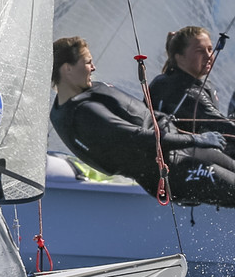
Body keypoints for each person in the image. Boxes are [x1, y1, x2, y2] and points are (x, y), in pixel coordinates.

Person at [51, 35, 235, 207]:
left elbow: (137, 113)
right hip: (173, 170)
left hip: (180, 149)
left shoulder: (87, 92)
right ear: (67, 69)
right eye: (88, 62)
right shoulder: (84, 113)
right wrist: (198, 139)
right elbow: (137, 138)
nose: (93, 67)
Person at [149, 25, 235, 137]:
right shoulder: (185, 92)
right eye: (199, 51)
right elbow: (224, 127)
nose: (208, 56)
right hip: (178, 152)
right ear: (179, 57)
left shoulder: (169, 77)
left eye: (210, 49)